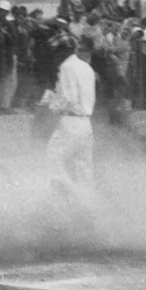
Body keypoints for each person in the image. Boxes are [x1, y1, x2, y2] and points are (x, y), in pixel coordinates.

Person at [40, 30, 95, 192]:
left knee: (53, 160)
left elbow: (67, 98)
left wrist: (49, 106)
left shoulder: (66, 67)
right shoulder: (86, 67)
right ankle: (87, 202)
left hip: (70, 122)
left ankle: (66, 198)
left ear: (63, 51)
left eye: (56, 52)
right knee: (83, 167)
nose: (54, 56)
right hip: (85, 123)